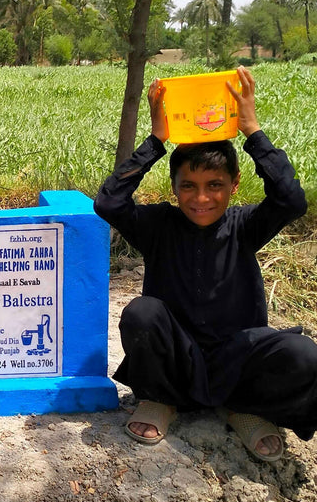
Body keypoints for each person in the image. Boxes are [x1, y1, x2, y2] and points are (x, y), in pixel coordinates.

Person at [94, 66, 317, 462]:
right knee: (141, 314)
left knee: (305, 355)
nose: (202, 198)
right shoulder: (159, 224)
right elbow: (109, 202)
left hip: (238, 356)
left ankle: (242, 408)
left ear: (233, 185)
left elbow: (291, 200)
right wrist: (157, 139)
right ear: (175, 187)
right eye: (189, 187)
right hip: (176, 358)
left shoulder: (246, 225)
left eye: (215, 186)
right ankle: (161, 401)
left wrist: (251, 130)